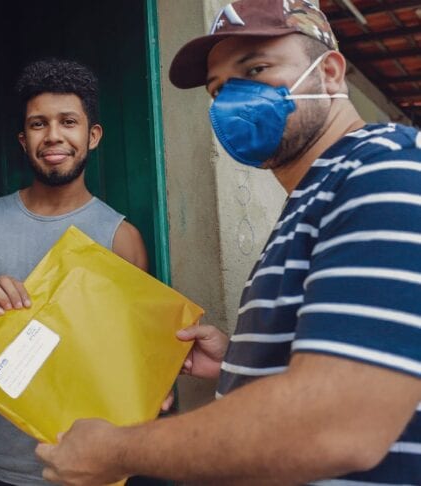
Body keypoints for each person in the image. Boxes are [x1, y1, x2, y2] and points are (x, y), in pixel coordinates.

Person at [35, 1, 421, 484]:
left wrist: (116, 450)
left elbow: (338, 423)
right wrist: (241, 360)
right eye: (218, 90)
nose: (233, 99)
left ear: (330, 73)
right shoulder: (320, 194)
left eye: (256, 69)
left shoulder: (384, 173)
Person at [0, 58, 148, 485]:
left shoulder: (120, 238)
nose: (53, 135)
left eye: (68, 122)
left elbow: (130, 358)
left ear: (92, 136)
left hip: (79, 465)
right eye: (38, 125)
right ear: (23, 140)